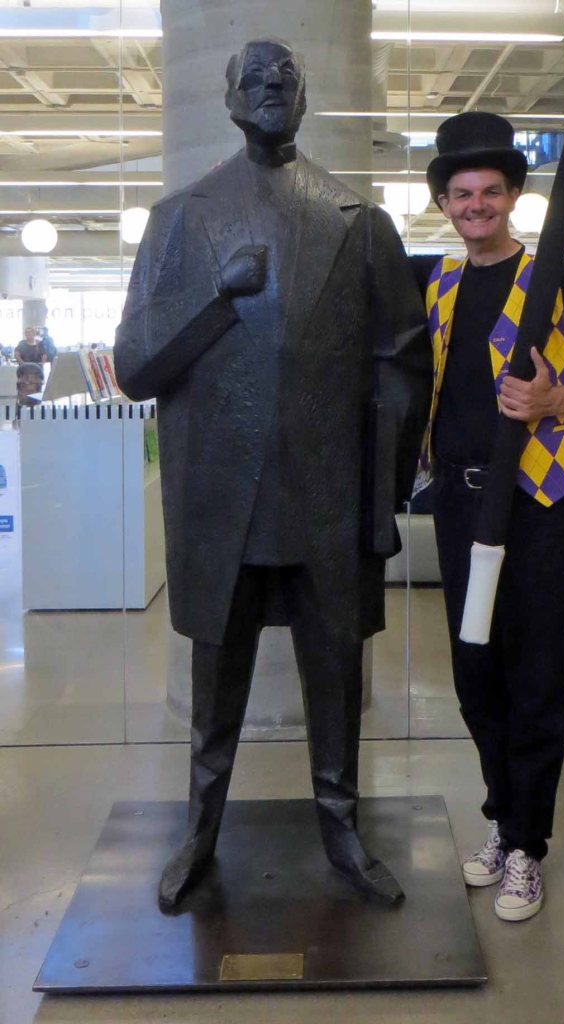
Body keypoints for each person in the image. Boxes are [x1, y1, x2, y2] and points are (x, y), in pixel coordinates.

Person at [114, 37, 430, 912]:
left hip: (327, 501)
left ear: (305, 98)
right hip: (223, 504)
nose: (267, 90)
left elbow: (403, 365)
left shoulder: (357, 220)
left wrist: (385, 492)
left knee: (337, 683)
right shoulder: (180, 218)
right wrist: (216, 299)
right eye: (252, 79)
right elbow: (137, 365)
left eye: (283, 79)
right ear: (226, 99)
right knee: (216, 691)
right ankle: (199, 835)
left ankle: (344, 833)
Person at [420, 112, 564, 921]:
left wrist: (560, 398)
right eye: (461, 194)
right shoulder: (443, 286)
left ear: (513, 197)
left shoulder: (557, 278)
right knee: (474, 671)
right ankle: (501, 818)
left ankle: (527, 847)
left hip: (539, 501)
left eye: (489, 192)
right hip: (458, 499)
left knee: (535, 674)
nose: (475, 206)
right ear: (445, 204)